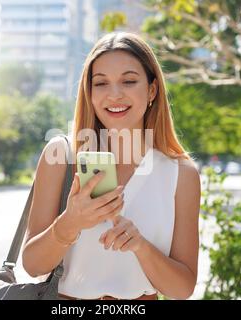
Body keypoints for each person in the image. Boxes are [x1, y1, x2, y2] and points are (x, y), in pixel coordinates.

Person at [22, 32, 201, 300]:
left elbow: (182, 289)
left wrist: (140, 246)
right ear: (90, 93)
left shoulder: (181, 174)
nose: (114, 95)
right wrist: (70, 223)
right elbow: (33, 266)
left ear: (152, 90)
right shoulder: (61, 156)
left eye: (129, 81)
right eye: (101, 83)